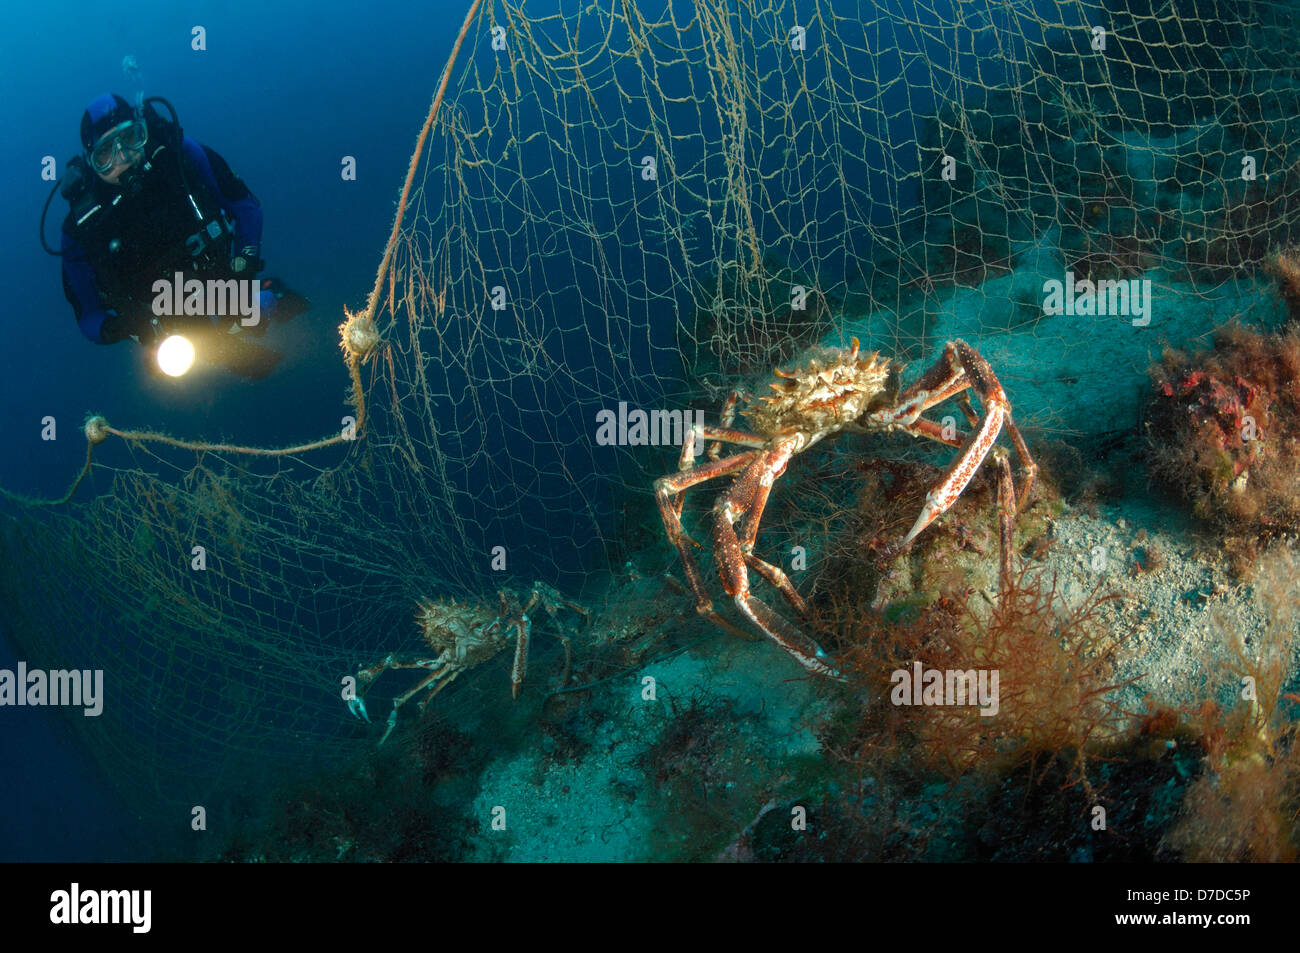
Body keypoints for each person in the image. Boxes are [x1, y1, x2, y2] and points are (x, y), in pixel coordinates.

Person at [58, 93, 310, 378]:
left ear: (143, 131)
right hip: (159, 315)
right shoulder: (81, 228)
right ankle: (240, 360)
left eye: (130, 138)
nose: (124, 158)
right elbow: (88, 316)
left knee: (255, 311)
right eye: (106, 153)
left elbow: (245, 207)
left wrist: (245, 261)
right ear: (91, 162)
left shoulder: (180, 156)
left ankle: (285, 305)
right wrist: (121, 328)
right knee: (197, 353)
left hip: (218, 276)